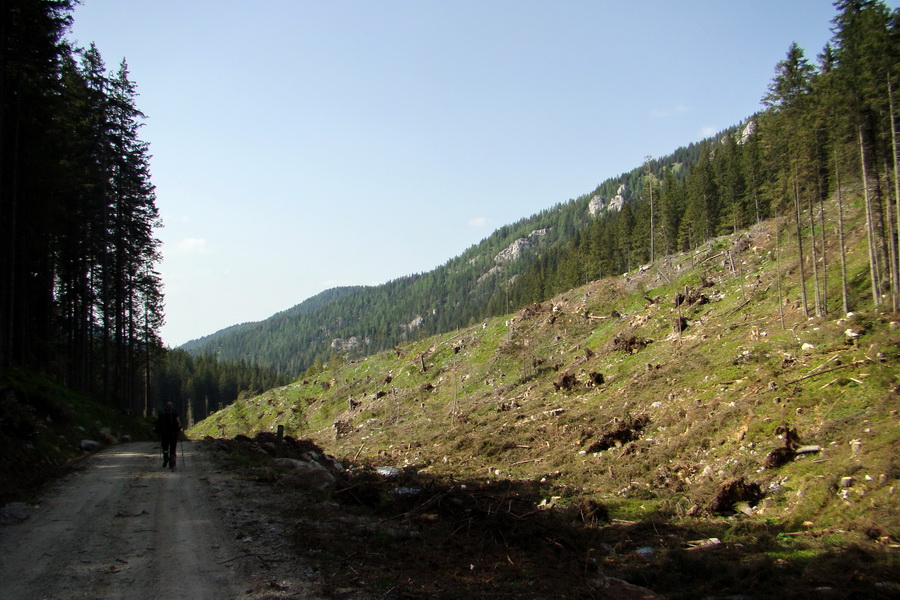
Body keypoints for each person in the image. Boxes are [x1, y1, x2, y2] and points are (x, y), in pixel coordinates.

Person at [155, 402, 181, 470]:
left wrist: (158, 431)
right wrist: (179, 429)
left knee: (165, 446)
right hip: (173, 433)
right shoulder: (175, 412)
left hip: (164, 433)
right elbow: (177, 421)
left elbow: (158, 423)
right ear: (171, 406)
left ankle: (165, 457)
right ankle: (172, 460)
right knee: (173, 447)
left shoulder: (161, 413)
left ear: (165, 406)